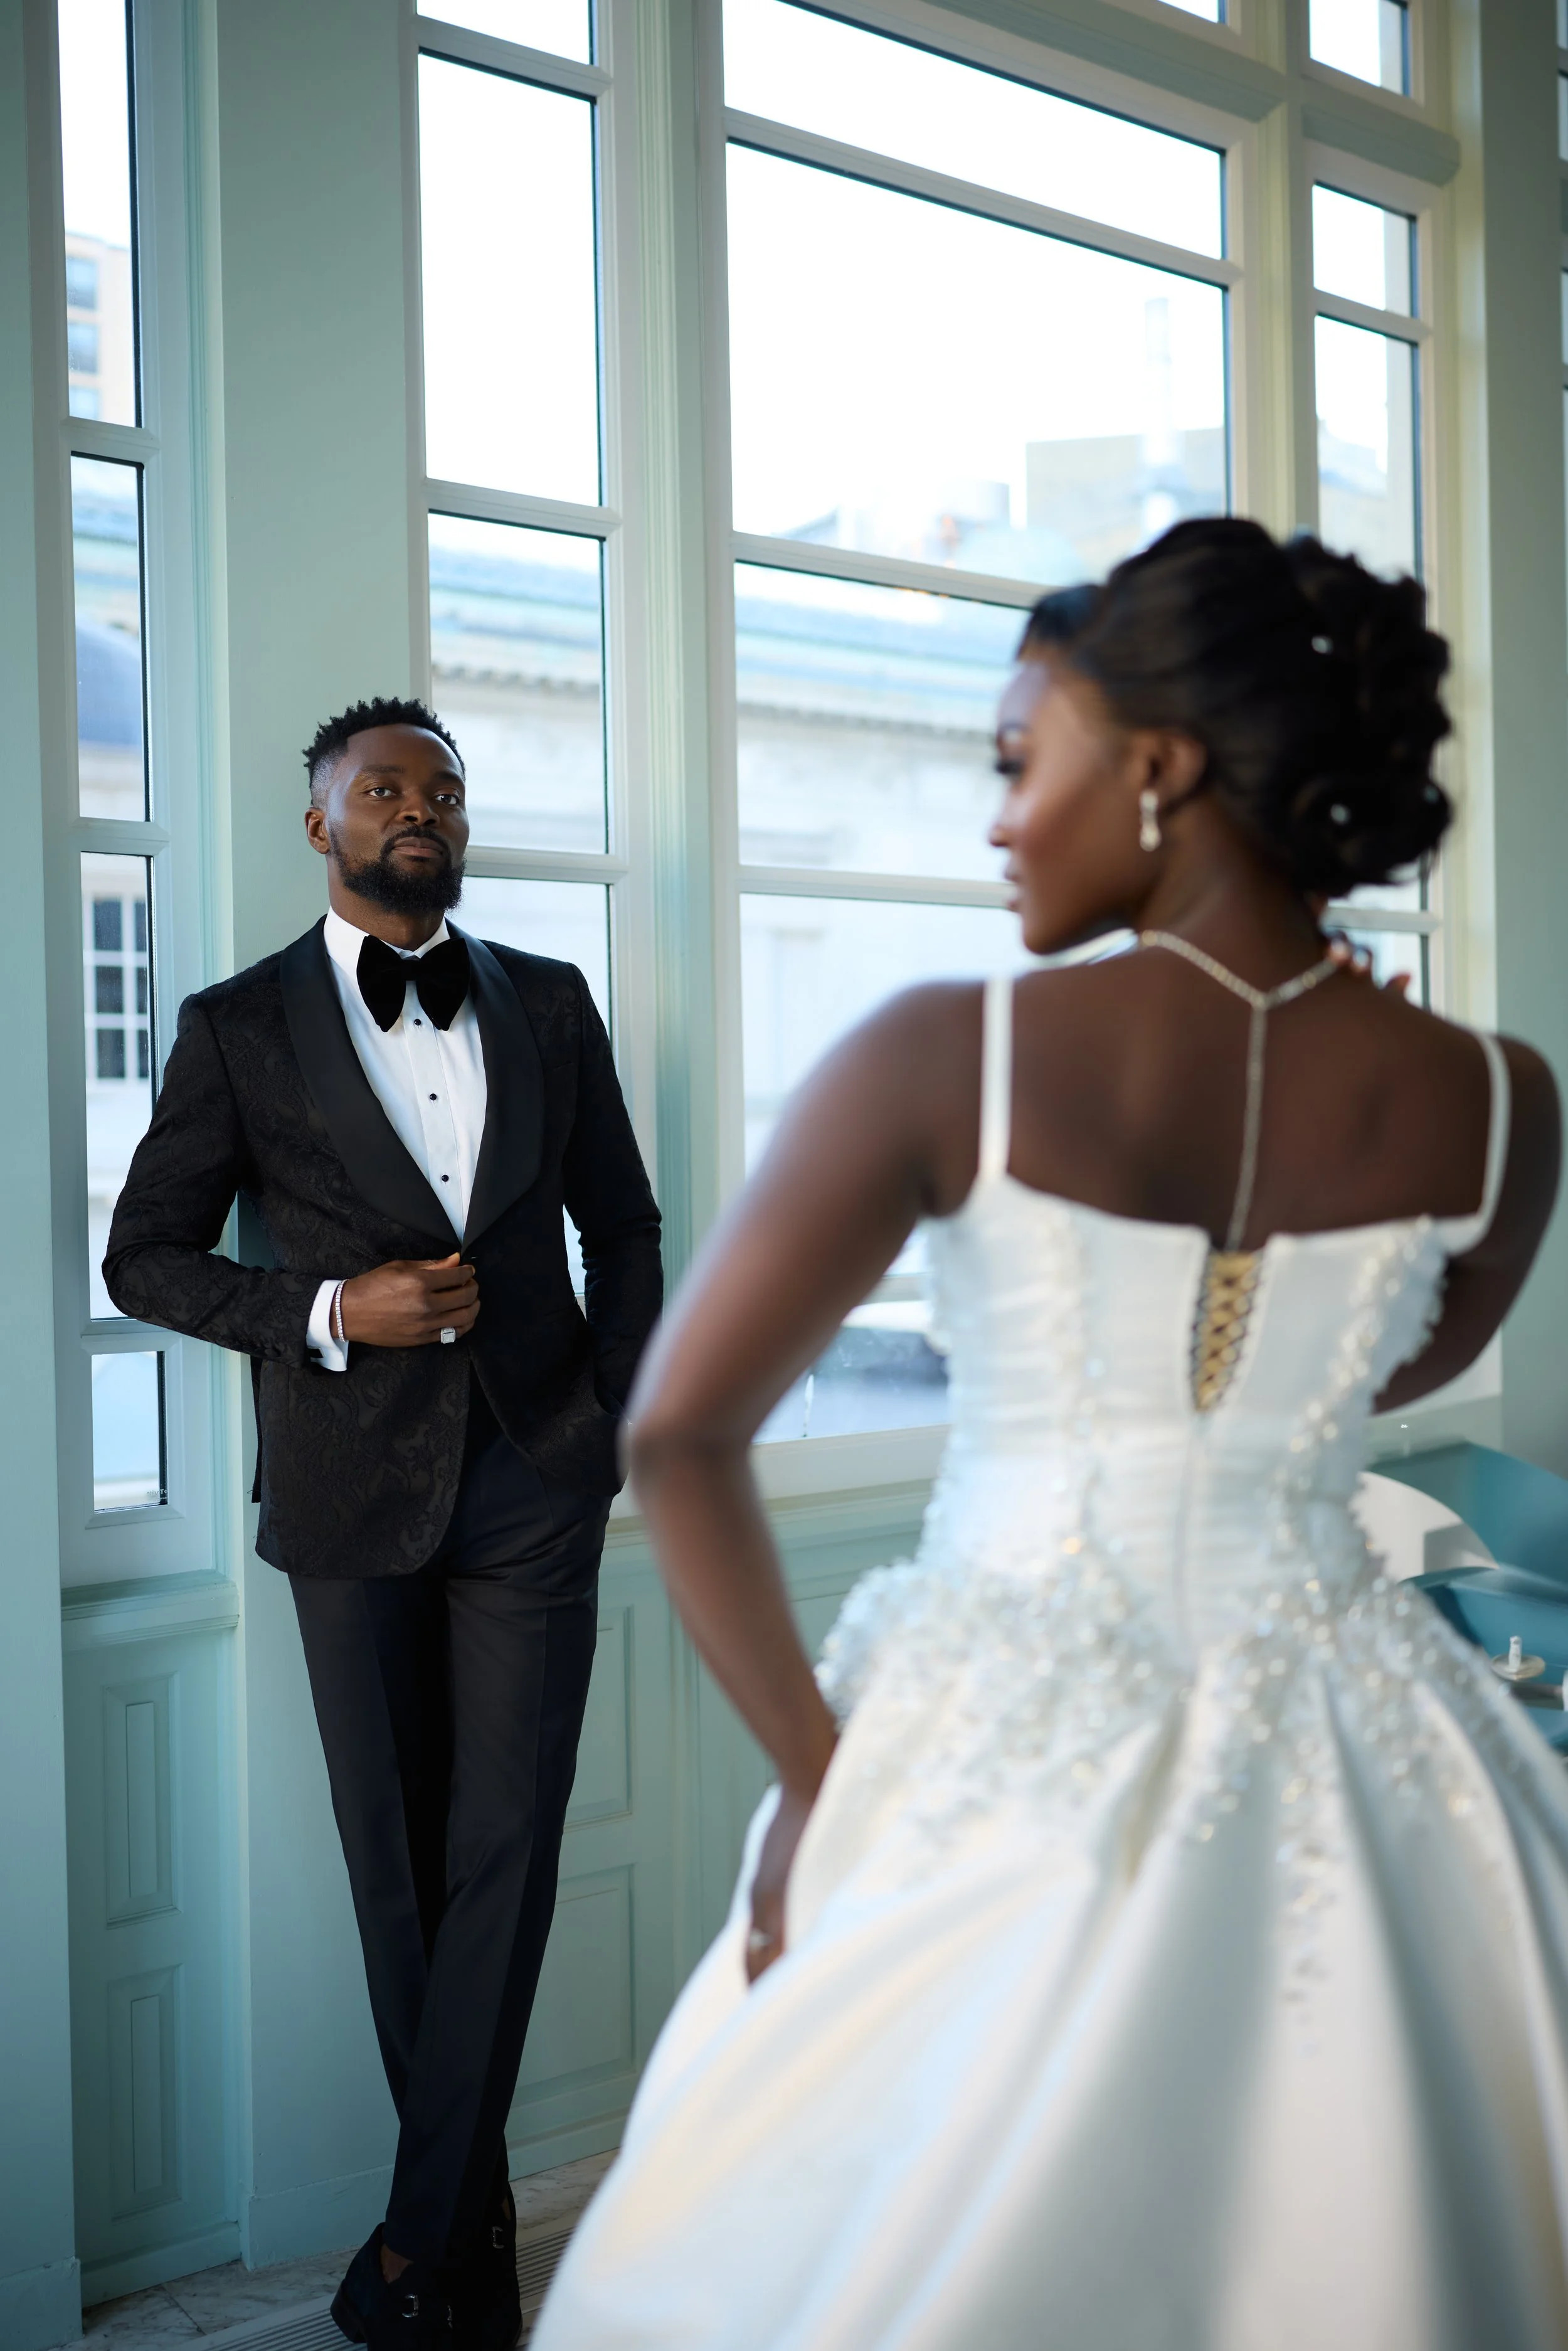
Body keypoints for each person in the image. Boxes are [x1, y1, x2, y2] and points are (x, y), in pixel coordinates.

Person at [533, 521, 1568, 2351]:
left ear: (1157, 768)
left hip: (986, 1744)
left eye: (1020, 761)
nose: (998, 819)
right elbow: (1393, 1365)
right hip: (1367, 1745)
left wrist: (823, 1788)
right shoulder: (1493, 1098)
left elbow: (679, 1433)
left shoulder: (947, 1050)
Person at [104, 696, 662, 2351]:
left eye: (442, 786)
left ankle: (417, 2254)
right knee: (395, 1871)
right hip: (349, 1494)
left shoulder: (551, 1003)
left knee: (507, 1850)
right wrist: (334, 1308)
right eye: (383, 787)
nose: (418, 807)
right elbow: (144, 1256)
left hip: (533, 1481)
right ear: (322, 824)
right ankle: (460, 2261)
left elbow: (622, 1225)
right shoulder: (234, 1025)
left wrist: (612, 1430)